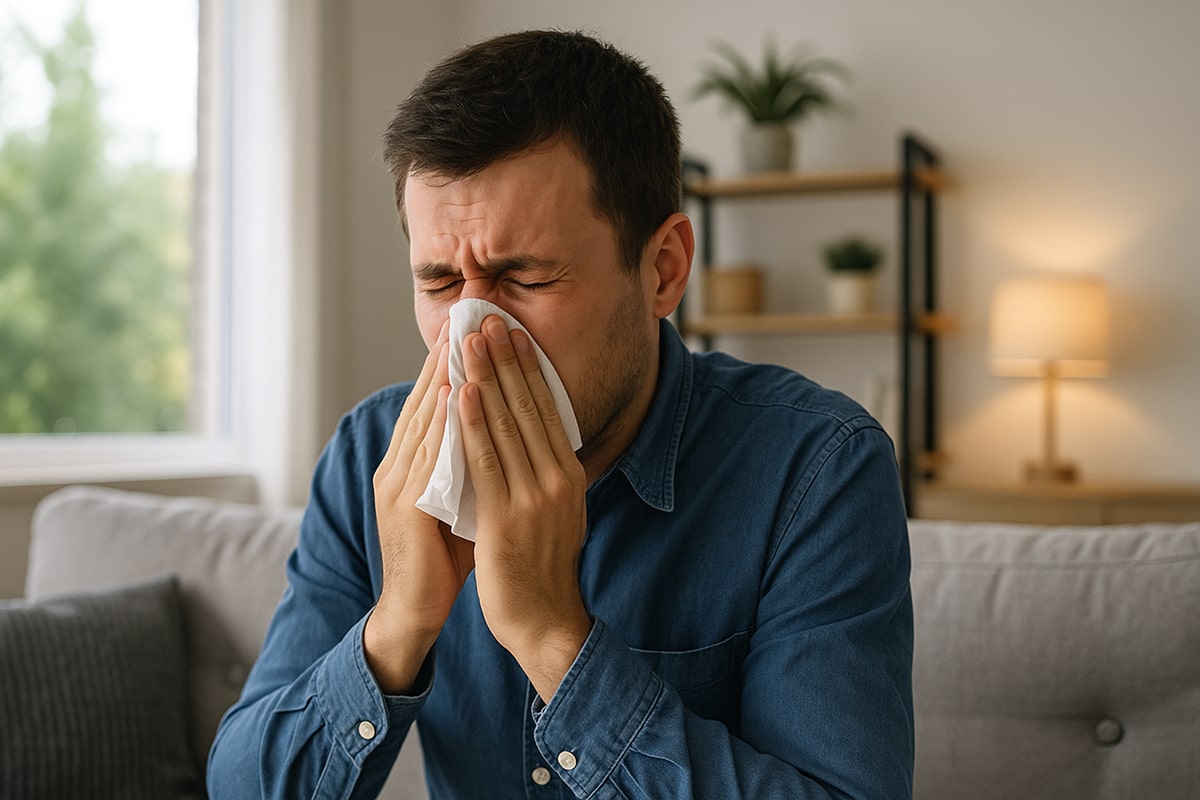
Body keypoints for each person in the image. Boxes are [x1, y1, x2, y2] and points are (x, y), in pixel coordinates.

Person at [208, 29, 913, 799]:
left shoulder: (816, 469)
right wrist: (399, 623)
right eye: (442, 283)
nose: (474, 334)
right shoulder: (370, 457)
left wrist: (554, 639)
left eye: (526, 277)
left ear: (664, 270)